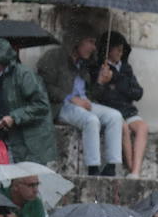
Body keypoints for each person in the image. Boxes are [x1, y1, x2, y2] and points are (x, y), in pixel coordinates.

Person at [38, 33, 123, 176]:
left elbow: (91, 94)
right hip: (61, 105)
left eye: (94, 43)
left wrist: (101, 82)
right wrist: (70, 98)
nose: (93, 47)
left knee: (115, 116)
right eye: (90, 41)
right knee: (91, 120)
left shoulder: (85, 63)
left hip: (84, 104)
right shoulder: (54, 57)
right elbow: (44, 85)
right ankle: (93, 168)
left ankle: (111, 166)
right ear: (76, 41)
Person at [0, 39, 58, 168]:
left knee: (25, 182)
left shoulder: (24, 75)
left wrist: (14, 118)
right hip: (6, 141)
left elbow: (41, 106)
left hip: (28, 144)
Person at [91, 31, 148, 179]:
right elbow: (99, 95)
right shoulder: (99, 68)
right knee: (123, 127)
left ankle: (136, 170)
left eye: (122, 50)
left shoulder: (126, 69)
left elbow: (138, 92)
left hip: (128, 110)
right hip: (112, 111)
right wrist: (104, 82)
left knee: (142, 127)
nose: (120, 53)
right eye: (117, 49)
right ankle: (131, 168)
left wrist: (116, 81)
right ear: (108, 50)